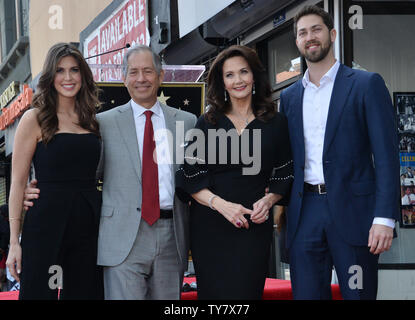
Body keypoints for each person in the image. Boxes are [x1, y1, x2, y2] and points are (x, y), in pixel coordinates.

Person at [25, 45, 197, 300]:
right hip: (120, 238)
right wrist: (37, 187)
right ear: (123, 78)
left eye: (148, 71)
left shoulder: (188, 122)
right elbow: (80, 172)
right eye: (134, 72)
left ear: (161, 76)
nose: (141, 79)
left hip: (172, 235)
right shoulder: (100, 124)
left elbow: (197, 179)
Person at [279, 5, 400, 300]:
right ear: (297, 42)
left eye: (316, 29)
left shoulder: (365, 84)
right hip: (305, 213)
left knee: (357, 295)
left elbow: (386, 157)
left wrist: (384, 218)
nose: (310, 37)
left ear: (332, 34)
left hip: (355, 213)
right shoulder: (289, 97)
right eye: (302, 33)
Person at [175, 45, 293, 299]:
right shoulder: (207, 123)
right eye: (230, 75)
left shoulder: (275, 122)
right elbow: (189, 177)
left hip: (252, 227)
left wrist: (269, 200)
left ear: (254, 77)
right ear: (222, 82)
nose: (237, 80)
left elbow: (285, 171)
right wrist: (222, 206)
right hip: (210, 229)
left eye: (243, 72)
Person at [6, 43, 103, 300]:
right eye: (60, 71)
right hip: (46, 220)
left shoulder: (92, 119)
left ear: (83, 74)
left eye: (74, 70)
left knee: (87, 294)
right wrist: (14, 241)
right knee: (40, 293)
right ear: (50, 76)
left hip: (88, 222)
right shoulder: (34, 118)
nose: (68, 78)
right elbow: (17, 183)